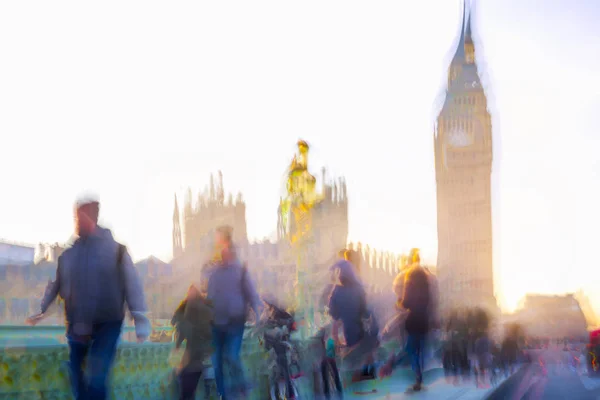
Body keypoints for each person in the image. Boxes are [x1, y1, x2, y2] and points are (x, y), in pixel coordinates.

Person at [26, 195, 150, 400]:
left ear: (89, 217)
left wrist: (140, 319)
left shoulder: (116, 251)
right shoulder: (69, 255)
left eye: (78, 216)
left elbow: (132, 285)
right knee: (77, 379)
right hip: (77, 325)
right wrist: (41, 310)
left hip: (107, 324)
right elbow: (55, 285)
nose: (75, 222)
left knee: (96, 379)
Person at [205, 226, 263, 400]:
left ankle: (242, 386)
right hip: (216, 323)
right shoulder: (213, 272)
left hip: (235, 322)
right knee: (216, 363)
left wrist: (259, 315)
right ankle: (224, 395)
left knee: (231, 355)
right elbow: (210, 297)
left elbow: (252, 294)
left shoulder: (240, 270)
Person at [172, 285, 214, 400]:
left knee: (186, 386)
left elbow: (182, 329)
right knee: (197, 387)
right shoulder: (207, 308)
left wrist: (177, 345)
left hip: (193, 357)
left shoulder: (190, 308)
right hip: (204, 357)